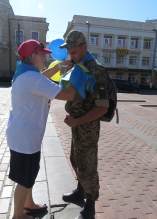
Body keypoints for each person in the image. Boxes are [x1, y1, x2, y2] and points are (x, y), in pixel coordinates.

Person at [6, 39, 76, 219]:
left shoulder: (23, 73)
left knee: (28, 174)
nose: (45, 57)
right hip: (26, 137)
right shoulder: (33, 78)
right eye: (42, 54)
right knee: (24, 179)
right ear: (33, 56)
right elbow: (68, 95)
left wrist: (59, 67)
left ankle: (28, 204)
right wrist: (75, 76)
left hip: (21, 134)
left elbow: (41, 77)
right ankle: (18, 216)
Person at [59, 30, 109, 219]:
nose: (70, 56)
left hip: (87, 126)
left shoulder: (97, 70)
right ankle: (80, 190)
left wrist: (77, 121)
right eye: (69, 52)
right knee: (75, 159)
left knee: (88, 166)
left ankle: (90, 205)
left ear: (84, 47)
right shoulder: (78, 66)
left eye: (74, 52)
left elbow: (102, 107)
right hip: (77, 124)